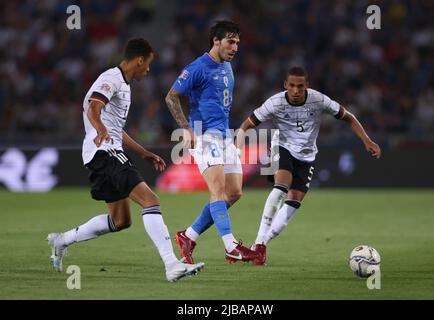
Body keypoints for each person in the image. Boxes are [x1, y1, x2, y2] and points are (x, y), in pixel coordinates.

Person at [47, 38, 204, 282]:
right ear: (139, 60)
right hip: (104, 152)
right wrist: (99, 129)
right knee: (151, 200)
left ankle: (62, 240)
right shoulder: (111, 79)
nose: (148, 70)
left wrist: (143, 152)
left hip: (103, 152)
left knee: (121, 221)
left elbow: (116, 128)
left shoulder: (125, 85)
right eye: (148, 64)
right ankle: (172, 265)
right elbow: (93, 108)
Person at [236, 66, 382, 264]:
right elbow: (247, 124)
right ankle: (260, 247)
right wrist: (237, 145)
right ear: (285, 85)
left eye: (300, 86)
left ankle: (258, 245)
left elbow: (349, 117)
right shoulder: (274, 103)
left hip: (307, 156)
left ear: (307, 86)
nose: (296, 91)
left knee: (293, 202)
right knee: (281, 187)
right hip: (282, 147)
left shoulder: (319, 100)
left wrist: (367, 140)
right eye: (292, 86)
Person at [165, 21, 262, 265]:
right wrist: (186, 128)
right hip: (205, 135)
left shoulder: (228, 67)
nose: (235, 47)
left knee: (234, 193)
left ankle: (189, 235)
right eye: (231, 41)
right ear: (216, 41)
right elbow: (171, 96)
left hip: (225, 136)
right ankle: (231, 246)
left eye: (238, 42)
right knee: (217, 190)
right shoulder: (197, 67)